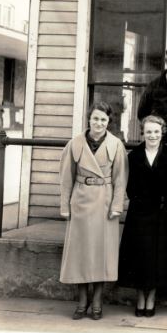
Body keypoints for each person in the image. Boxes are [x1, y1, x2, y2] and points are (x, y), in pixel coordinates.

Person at [59, 100, 128, 320]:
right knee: (80, 254)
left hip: (104, 203)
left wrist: (117, 206)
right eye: (95, 118)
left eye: (103, 119)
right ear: (89, 119)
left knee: (101, 254)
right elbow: (65, 177)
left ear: (109, 122)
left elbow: (121, 178)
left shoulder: (116, 144)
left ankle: (97, 301)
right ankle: (82, 301)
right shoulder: (75, 143)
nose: (99, 123)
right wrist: (65, 206)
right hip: (80, 201)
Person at [117, 115, 167, 317]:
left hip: (160, 213)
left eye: (156, 132)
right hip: (139, 213)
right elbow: (129, 185)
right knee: (139, 255)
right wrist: (140, 200)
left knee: (157, 257)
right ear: (143, 132)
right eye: (149, 131)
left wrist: (163, 200)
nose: (153, 135)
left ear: (163, 132)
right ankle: (139, 297)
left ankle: (151, 297)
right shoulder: (134, 156)